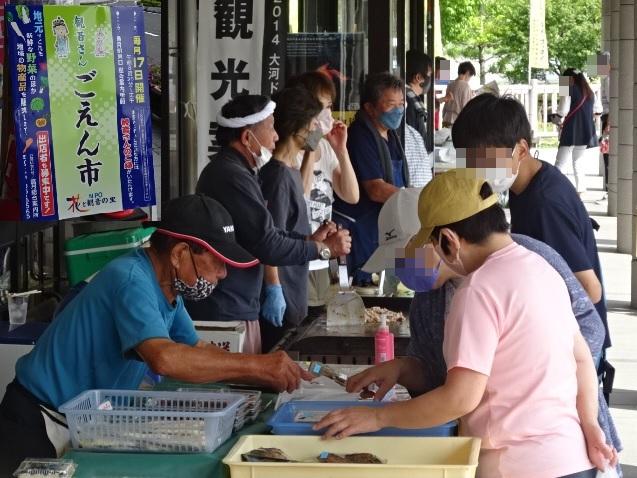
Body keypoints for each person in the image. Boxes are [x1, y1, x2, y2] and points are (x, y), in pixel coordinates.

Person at [314, 171, 616, 478]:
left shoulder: (478, 290)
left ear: (448, 240)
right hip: (573, 460)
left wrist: (378, 418)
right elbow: (580, 359)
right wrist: (589, 425)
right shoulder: (541, 269)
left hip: (518, 465)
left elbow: (459, 398)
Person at [0, 194, 315, 475]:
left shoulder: (166, 290)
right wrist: (256, 367)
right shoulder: (131, 279)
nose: (222, 273)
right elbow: (164, 358)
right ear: (179, 253)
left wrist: (262, 372)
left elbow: (198, 348)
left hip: (82, 422)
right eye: (216, 262)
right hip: (36, 420)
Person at [450, 94, 610, 358]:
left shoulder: (545, 203)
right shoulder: (524, 183)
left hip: (572, 350)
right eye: (469, 161)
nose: (476, 170)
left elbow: (589, 290)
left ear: (520, 150)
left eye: (483, 160)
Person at [193, 95, 351, 353]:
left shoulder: (242, 172)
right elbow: (267, 243)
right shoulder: (232, 176)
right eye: (270, 128)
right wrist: (323, 249)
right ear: (246, 138)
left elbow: (271, 231)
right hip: (229, 305)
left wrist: (310, 241)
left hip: (242, 300)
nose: (276, 136)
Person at [285, 71, 359, 307]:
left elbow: (351, 195)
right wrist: (310, 145)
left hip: (323, 258)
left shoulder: (326, 149)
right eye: (323, 106)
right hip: (295, 259)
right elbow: (301, 196)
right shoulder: (286, 151)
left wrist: (342, 150)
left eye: (330, 106)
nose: (328, 113)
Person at [258, 87, 323, 350]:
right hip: (281, 297)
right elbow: (268, 239)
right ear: (299, 126)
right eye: (314, 122)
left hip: (295, 290)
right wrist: (274, 288)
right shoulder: (278, 177)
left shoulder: (291, 171)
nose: (318, 128)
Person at [333, 72, 409, 285]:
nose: (398, 110)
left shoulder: (392, 135)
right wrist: (412, 199)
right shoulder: (360, 136)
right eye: (390, 104)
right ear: (369, 108)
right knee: (361, 286)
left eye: (401, 103)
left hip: (381, 226)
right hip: (360, 228)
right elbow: (375, 189)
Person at [554, 69, 598, 195]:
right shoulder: (590, 91)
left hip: (571, 129)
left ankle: (554, 189)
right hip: (586, 129)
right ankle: (581, 189)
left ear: (569, 78)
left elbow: (562, 110)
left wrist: (556, 119)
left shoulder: (567, 88)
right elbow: (598, 109)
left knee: (560, 162)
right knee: (578, 161)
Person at [405, 50, 433, 151]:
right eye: (429, 75)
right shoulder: (409, 103)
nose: (430, 80)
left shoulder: (411, 98)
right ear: (418, 77)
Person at [441, 61, 476, 127]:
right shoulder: (466, 86)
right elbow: (465, 107)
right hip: (457, 121)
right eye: (470, 76)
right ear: (467, 72)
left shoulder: (450, 84)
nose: (469, 79)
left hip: (446, 119)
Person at [600, 113, 610, 198]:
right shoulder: (606, 120)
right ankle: (607, 188)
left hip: (607, 145)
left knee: (608, 167)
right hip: (607, 145)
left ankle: (608, 188)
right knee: (607, 167)